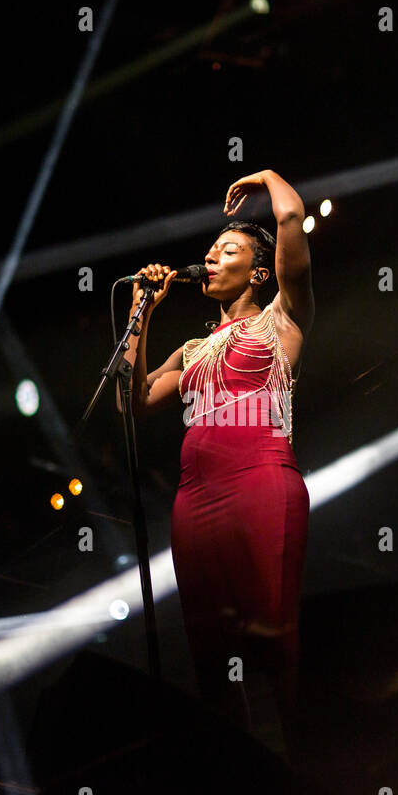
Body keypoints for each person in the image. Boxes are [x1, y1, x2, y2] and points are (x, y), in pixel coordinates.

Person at [120, 169, 313, 758]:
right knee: (210, 650)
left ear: (258, 272)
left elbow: (287, 221)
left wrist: (266, 177)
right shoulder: (195, 348)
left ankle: (305, 766)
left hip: (260, 482)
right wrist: (141, 309)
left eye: (226, 250)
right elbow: (131, 404)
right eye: (209, 250)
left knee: (274, 637)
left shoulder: (282, 318)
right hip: (194, 499)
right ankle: (236, 781)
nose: (209, 259)